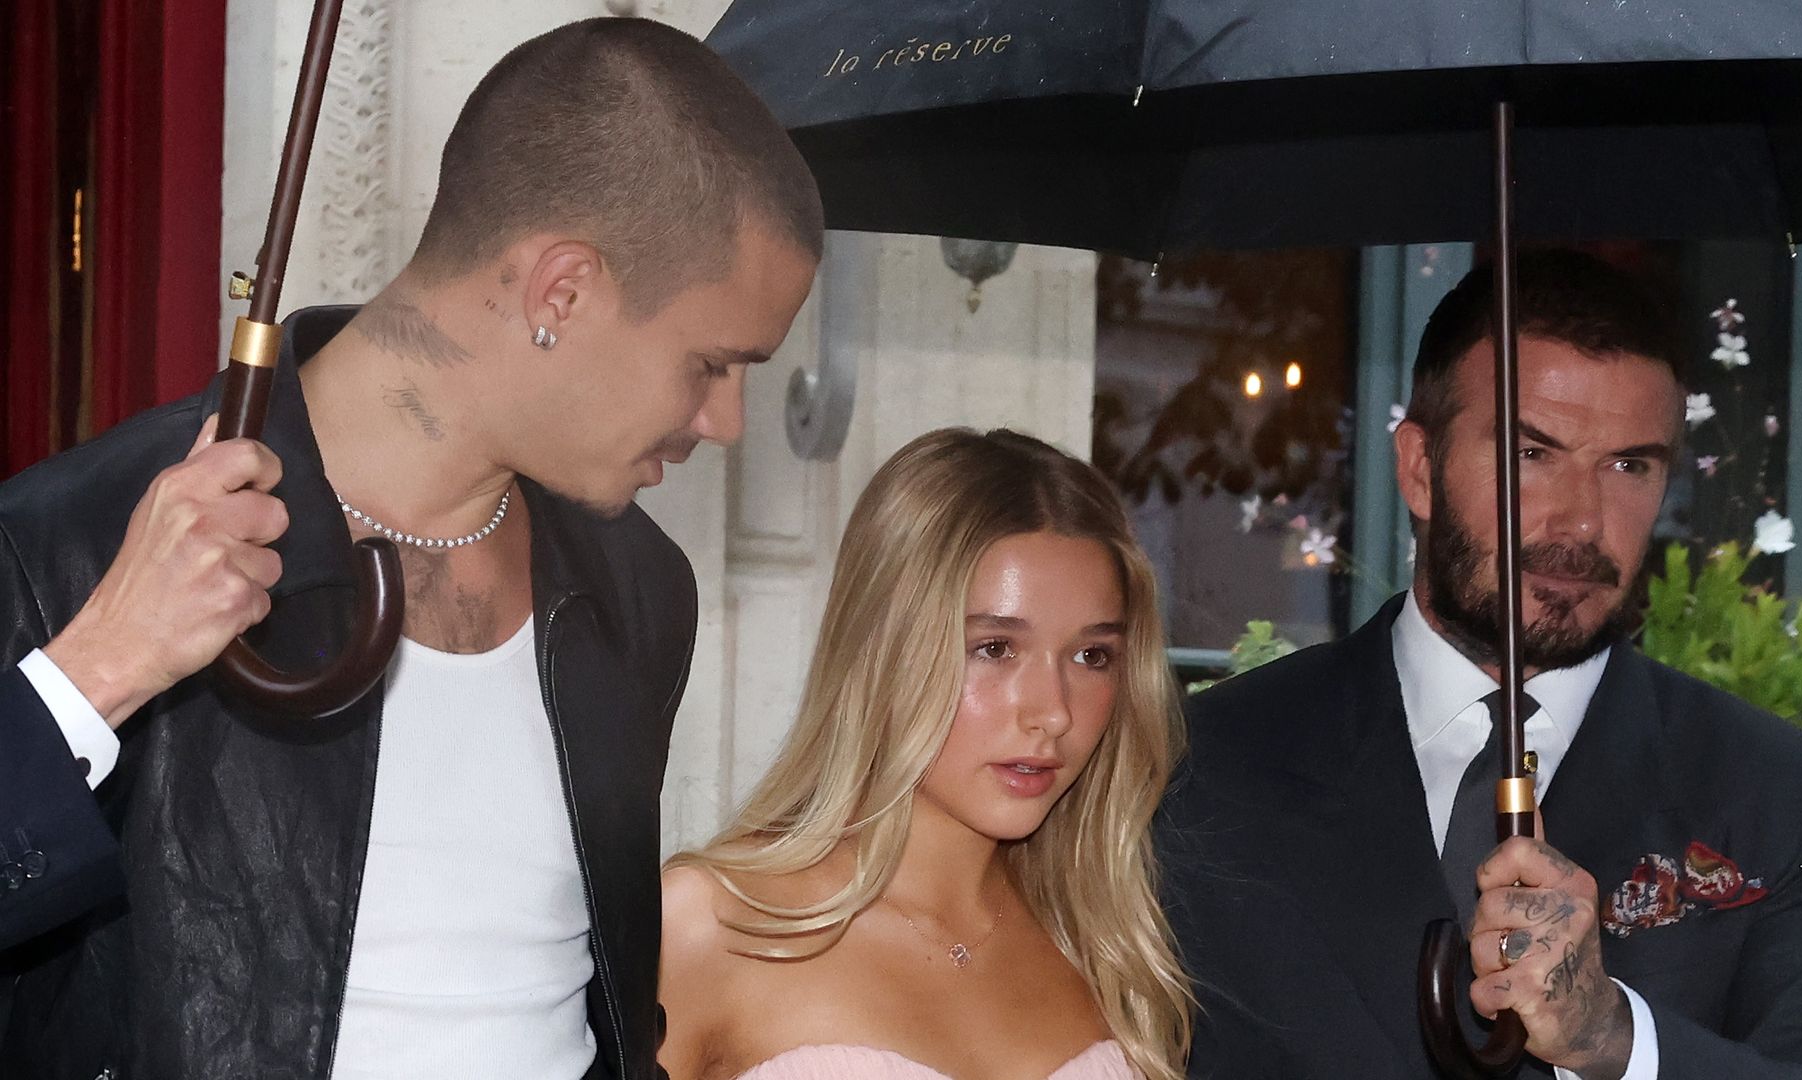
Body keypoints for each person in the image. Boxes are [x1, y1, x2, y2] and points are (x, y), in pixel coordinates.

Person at [0, 18, 821, 1079]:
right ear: (559, 292)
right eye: (712, 363)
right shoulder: (69, 543)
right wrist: (102, 666)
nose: (728, 422)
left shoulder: (637, 589)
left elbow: (595, 1011)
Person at [1158, 251, 1802, 1079]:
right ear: (1420, 468)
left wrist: (1615, 1040)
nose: (1580, 520)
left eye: (1629, 465)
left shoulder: (1786, 799)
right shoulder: (1202, 763)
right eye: (1533, 454)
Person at [656, 428, 1192, 1080]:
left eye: (1091, 656)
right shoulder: (711, 925)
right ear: (881, 648)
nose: (1052, 711)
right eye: (994, 648)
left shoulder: (1108, 949)